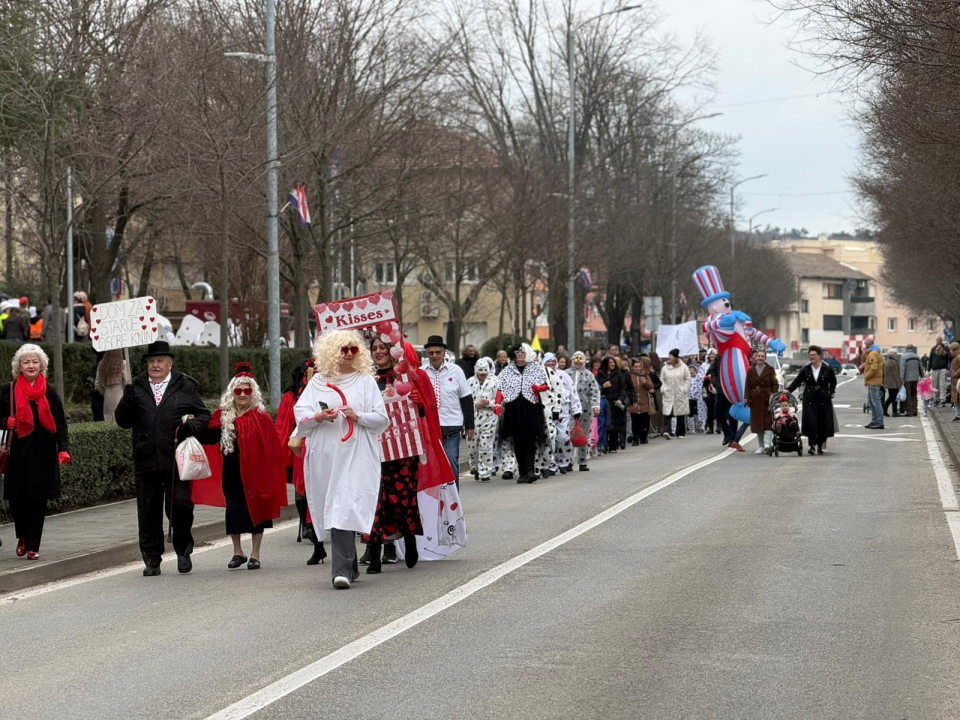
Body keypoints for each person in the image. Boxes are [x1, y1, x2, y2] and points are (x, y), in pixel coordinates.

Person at [290, 330, 389, 589]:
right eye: (342, 350)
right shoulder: (318, 382)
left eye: (352, 350)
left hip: (355, 453)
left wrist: (357, 417)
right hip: (325, 454)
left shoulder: (365, 381)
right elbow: (300, 414)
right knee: (333, 507)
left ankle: (341, 571)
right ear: (332, 353)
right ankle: (350, 567)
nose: (347, 354)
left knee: (343, 506)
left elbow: (381, 418)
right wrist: (320, 417)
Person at [114, 341, 210, 576]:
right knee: (148, 511)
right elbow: (122, 421)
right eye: (151, 361)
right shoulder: (135, 386)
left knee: (180, 505)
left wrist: (192, 426)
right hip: (145, 457)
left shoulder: (185, 386)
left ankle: (183, 549)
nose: (155, 365)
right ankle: (152, 559)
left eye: (160, 361)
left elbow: (204, 414)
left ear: (169, 363)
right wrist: (125, 402)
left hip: (176, 459)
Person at [189, 363, 287, 570]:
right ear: (232, 392)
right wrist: (191, 424)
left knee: (257, 512)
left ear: (253, 393)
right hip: (232, 472)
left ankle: (255, 554)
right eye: (238, 390)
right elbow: (208, 435)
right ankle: (237, 552)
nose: (242, 394)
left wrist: (271, 474)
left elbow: (273, 448)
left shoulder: (261, 417)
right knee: (233, 510)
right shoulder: (223, 416)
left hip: (256, 474)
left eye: (247, 390)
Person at [362, 339, 429, 573]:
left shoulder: (404, 376)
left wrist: (417, 404)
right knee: (375, 501)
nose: (378, 352)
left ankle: (409, 536)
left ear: (392, 352)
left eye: (383, 348)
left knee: (403, 498)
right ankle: (375, 552)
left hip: (403, 449)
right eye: (375, 348)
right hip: (373, 449)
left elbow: (422, 411)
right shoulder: (365, 380)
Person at [0, 344, 70, 560]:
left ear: (42, 365)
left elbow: (60, 423)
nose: (31, 365)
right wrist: (5, 421)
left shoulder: (49, 391)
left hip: (43, 455)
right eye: (26, 362)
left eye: (34, 362)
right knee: (17, 500)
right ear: (18, 366)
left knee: (38, 501)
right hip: (15, 456)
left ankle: (33, 545)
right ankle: (22, 535)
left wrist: (63, 449)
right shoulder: (7, 391)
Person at [275, 357, 328, 565]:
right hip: (306, 445)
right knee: (305, 488)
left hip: (329, 444)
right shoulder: (295, 394)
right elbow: (287, 422)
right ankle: (315, 538)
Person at [421, 335, 474, 485]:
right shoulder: (421, 372)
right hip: (430, 427)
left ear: (444, 353)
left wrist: (470, 425)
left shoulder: (456, 371)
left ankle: (453, 504)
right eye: (431, 353)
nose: (435, 356)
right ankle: (437, 503)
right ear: (427, 354)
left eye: (438, 352)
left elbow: (466, 398)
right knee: (433, 466)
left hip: (452, 424)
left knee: (451, 461)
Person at [496, 343, 547, 484]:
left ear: (527, 353)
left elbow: (545, 384)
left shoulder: (536, 368)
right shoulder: (507, 370)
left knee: (530, 438)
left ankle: (530, 470)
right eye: (517, 352)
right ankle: (522, 471)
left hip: (530, 407)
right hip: (514, 408)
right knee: (517, 440)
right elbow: (500, 388)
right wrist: (497, 404)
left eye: (522, 352)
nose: (519, 354)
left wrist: (538, 387)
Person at [787, 344, 837, 455]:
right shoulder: (806, 368)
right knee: (811, 421)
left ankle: (820, 445)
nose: (812, 357)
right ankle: (812, 445)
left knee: (822, 422)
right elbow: (797, 381)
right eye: (810, 355)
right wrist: (788, 390)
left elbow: (833, 382)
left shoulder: (827, 368)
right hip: (809, 397)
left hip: (823, 398)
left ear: (819, 356)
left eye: (814, 355)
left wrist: (830, 392)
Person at [544, 353, 581, 475]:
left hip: (563, 412)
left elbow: (572, 392)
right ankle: (551, 464)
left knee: (563, 438)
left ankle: (564, 462)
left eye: (553, 363)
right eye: (547, 364)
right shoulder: (541, 376)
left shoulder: (563, 375)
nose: (550, 366)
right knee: (550, 439)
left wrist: (576, 409)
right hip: (547, 412)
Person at [567, 351, 601, 471]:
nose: (577, 363)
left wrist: (595, 406)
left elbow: (595, 392)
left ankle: (582, 461)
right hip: (569, 409)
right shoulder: (566, 374)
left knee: (584, 435)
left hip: (585, 409)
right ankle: (568, 461)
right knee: (569, 434)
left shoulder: (588, 375)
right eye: (575, 361)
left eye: (580, 361)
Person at [467, 358, 499, 482]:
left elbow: (499, 401)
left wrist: (488, 403)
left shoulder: (495, 381)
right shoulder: (469, 382)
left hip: (489, 417)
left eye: (485, 371)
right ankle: (475, 466)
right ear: (476, 371)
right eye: (480, 371)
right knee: (472, 447)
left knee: (486, 445)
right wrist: (476, 404)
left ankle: (485, 472)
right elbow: (465, 400)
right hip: (473, 418)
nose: (483, 373)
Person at [745, 347, 779, 454]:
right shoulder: (751, 370)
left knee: (768, 422)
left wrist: (772, 396)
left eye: (762, 356)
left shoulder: (770, 369)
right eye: (758, 356)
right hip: (755, 399)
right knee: (757, 423)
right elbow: (747, 385)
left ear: (765, 357)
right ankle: (761, 445)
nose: (760, 358)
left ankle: (768, 444)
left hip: (767, 398)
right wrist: (747, 399)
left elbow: (775, 384)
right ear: (755, 357)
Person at [536, 353, 563, 477]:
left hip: (548, 412)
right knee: (534, 441)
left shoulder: (548, 372)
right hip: (533, 413)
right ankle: (536, 466)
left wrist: (556, 409)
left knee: (549, 440)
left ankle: (546, 463)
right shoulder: (527, 374)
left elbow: (558, 390)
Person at [595, 356, 627, 452]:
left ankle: (613, 446)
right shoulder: (599, 375)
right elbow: (595, 389)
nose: (612, 364)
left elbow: (623, 388)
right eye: (610, 363)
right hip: (604, 403)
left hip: (615, 403)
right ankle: (603, 445)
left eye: (613, 362)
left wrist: (620, 399)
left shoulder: (618, 374)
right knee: (604, 424)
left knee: (614, 425)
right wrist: (603, 386)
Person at [660, 349, 690, 439]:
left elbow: (687, 379)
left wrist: (684, 389)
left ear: (675, 357)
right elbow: (662, 379)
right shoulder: (665, 367)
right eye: (668, 355)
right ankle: (667, 431)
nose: (669, 357)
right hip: (668, 393)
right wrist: (664, 388)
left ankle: (680, 432)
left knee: (680, 413)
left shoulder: (683, 367)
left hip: (680, 393)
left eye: (671, 355)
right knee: (667, 412)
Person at [627, 357, 654, 446]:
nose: (638, 368)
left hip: (644, 402)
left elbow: (651, 386)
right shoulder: (630, 376)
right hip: (634, 403)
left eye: (639, 367)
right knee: (635, 422)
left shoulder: (645, 375)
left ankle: (643, 437)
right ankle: (636, 439)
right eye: (636, 367)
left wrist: (645, 382)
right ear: (633, 367)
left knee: (644, 422)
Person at [95, 349, 127, 422]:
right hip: (119, 392)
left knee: (108, 416)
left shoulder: (102, 364)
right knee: (120, 416)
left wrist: (104, 392)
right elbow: (126, 381)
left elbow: (97, 383)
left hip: (107, 392)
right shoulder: (123, 363)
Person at [863, 337, 885, 430]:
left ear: (869, 344)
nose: (864, 345)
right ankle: (875, 420)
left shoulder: (872, 353)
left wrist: (866, 376)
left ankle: (879, 421)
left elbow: (874, 367)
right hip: (873, 380)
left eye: (865, 343)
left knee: (875, 401)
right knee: (872, 402)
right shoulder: (874, 352)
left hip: (873, 381)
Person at [899, 344, 922, 417]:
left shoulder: (904, 356)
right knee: (914, 394)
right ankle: (915, 410)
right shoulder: (917, 356)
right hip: (915, 378)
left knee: (908, 394)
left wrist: (901, 379)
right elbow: (920, 367)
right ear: (912, 348)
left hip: (907, 378)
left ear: (906, 348)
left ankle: (910, 411)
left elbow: (902, 368)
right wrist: (922, 375)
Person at [882, 350, 903, 418]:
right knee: (894, 398)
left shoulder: (886, 362)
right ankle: (894, 412)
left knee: (891, 397)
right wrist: (899, 383)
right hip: (893, 382)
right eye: (895, 353)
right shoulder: (894, 362)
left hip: (888, 382)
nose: (896, 354)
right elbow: (896, 374)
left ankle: (885, 410)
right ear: (892, 354)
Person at [930, 337, 950, 406]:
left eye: (940, 340)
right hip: (934, 368)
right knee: (935, 385)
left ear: (942, 341)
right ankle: (936, 399)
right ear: (936, 341)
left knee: (942, 384)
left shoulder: (945, 348)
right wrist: (928, 369)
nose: (938, 341)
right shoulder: (933, 348)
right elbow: (930, 358)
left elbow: (948, 358)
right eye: (937, 340)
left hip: (943, 368)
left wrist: (947, 368)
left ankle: (943, 399)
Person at [951, 342, 960, 421]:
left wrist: (955, 374)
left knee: (958, 397)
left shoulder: (958, 357)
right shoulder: (955, 357)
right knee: (955, 399)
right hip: (955, 380)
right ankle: (958, 414)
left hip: (958, 380)